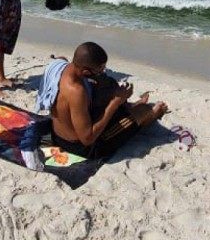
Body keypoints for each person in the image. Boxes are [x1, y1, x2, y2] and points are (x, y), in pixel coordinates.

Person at [36, 42, 169, 160]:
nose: (102, 72)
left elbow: (63, 61)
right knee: (143, 111)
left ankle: (129, 105)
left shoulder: (57, 65)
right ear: (86, 71)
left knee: (105, 91)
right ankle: (152, 113)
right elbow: (87, 139)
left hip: (57, 133)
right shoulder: (77, 92)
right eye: (99, 70)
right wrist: (115, 102)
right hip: (80, 147)